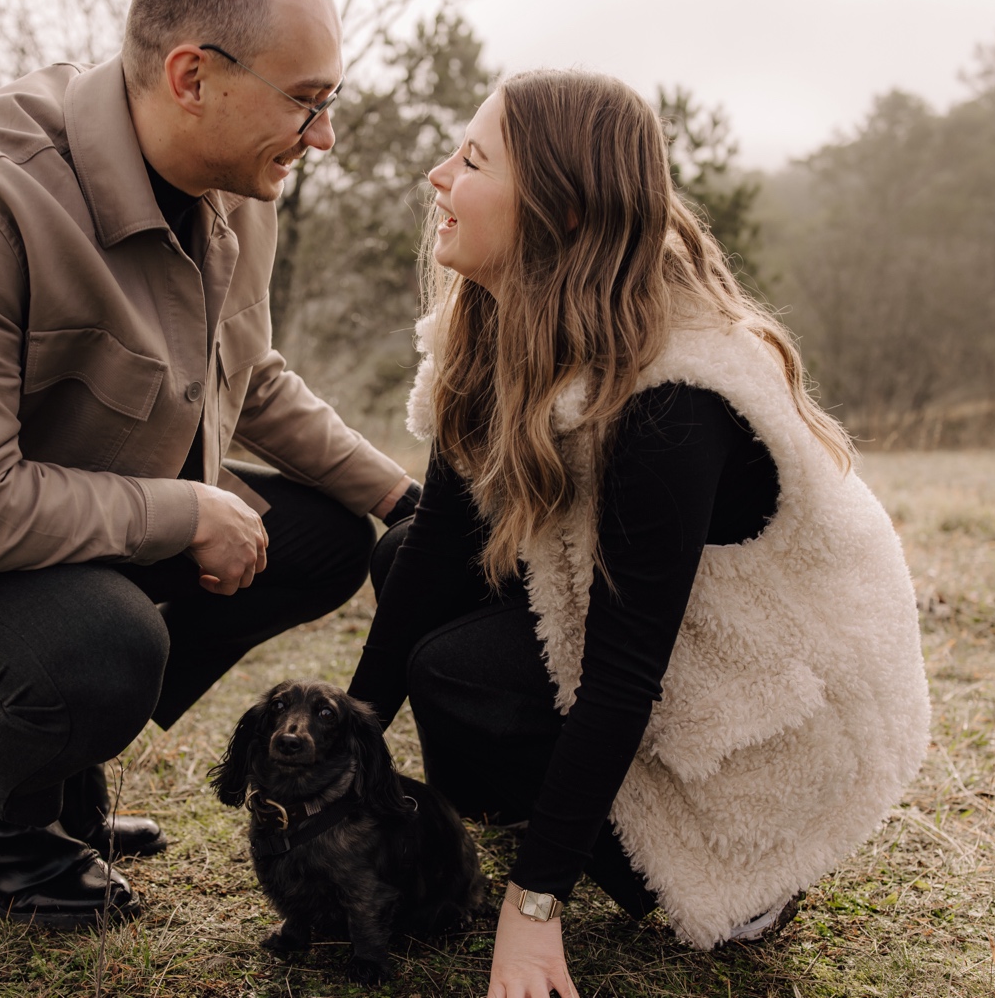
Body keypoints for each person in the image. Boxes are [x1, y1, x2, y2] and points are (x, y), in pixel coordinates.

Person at [0, 0, 419, 928]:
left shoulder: (236, 182)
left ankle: (51, 753)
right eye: (307, 102)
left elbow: (252, 377)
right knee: (106, 647)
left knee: (322, 537)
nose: (322, 136)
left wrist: (407, 498)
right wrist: (188, 512)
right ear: (193, 79)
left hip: (78, 514)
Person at [346, 70, 930, 997]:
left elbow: (625, 670)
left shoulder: (674, 402)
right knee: (403, 562)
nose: (437, 176)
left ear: (561, 215)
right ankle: (533, 808)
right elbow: (434, 547)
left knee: (459, 672)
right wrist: (348, 754)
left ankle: (734, 878)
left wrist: (532, 907)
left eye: (471, 159)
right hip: (661, 632)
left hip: (774, 717)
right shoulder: (502, 322)